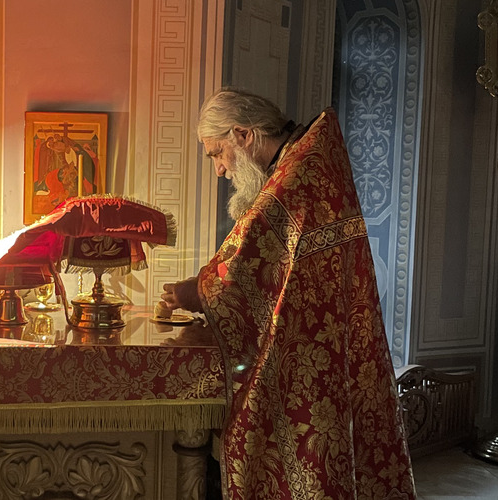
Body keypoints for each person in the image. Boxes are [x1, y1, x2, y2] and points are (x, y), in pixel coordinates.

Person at [160, 88, 416, 499]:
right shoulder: (301, 159)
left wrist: (197, 291)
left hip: (311, 353)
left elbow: (250, 261)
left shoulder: (298, 174)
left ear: (243, 134)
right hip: (317, 341)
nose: (219, 169)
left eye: (217, 153)